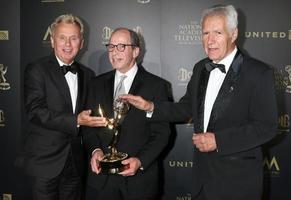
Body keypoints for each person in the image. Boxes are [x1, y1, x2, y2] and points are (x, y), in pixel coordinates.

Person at [121, 5, 278, 200]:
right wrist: (151, 107)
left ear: (234, 33)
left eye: (218, 33)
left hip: (238, 183)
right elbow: (186, 108)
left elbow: (267, 127)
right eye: (205, 33)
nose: (210, 40)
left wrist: (218, 140)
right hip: (202, 181)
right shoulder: (200, 68)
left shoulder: (258, 73)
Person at [23, 14, 106, 200]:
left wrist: (95, 149)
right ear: (52, 40)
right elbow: (35, 111)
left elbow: (89, 121)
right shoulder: (36, 69)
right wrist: (75, 120)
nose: (68, 44)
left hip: (75, 164)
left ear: (82, 42)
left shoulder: (88, 74)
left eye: (74, 38)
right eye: (62, 37)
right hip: (44, 163)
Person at [83, 27, 171, 200]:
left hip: (139, 182)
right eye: (111, 46)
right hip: (102, 181)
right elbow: (88, 127)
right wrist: (95, 151)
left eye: (121, 46)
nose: (114, 52)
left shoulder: (156, 86)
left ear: (136, 51)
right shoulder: (96, 84)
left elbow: (162, 133)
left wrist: (140, 161)